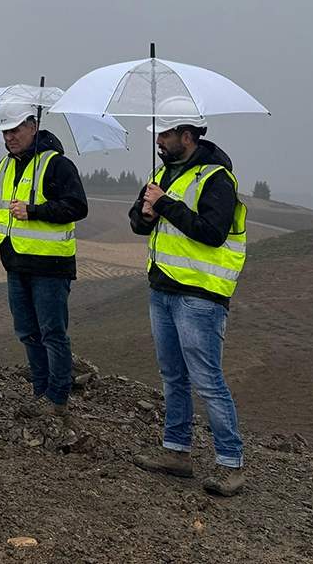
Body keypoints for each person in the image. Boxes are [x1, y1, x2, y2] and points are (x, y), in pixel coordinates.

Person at [127, 95, 248, 497]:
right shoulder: (163, 174)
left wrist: (166, 205)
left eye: (165, 134)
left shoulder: (216, 178)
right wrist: (145, 214)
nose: (159, 141)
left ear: (187, 135)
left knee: (207, 380)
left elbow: (212, 233)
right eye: (158, 134)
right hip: (162, 289)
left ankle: (230, 464)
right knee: (172, 376)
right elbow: (140, 224)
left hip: (201, 296)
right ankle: (176, 452)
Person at [0, 103, 89, 419]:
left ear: (33, 127)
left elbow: (77, 206)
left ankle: (57, 399)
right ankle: (40, 393)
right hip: (16, 263)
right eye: (5, 132)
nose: (10, 137)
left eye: (15, 130)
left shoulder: (58, 165)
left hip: (49, 266)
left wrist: (35, 211)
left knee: (52, 333)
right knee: (27, 332)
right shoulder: (5, 167)